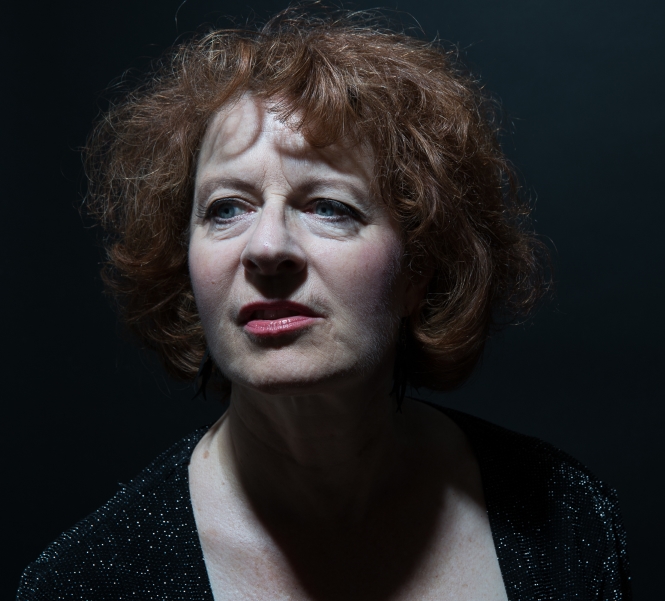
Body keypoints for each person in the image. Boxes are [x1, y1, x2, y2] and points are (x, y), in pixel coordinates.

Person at [18, 7, 631, 600]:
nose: (266, 248)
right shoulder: (84, 584)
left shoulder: (565, 519)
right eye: (226, 208)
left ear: (419, 269)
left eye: (330, 207)